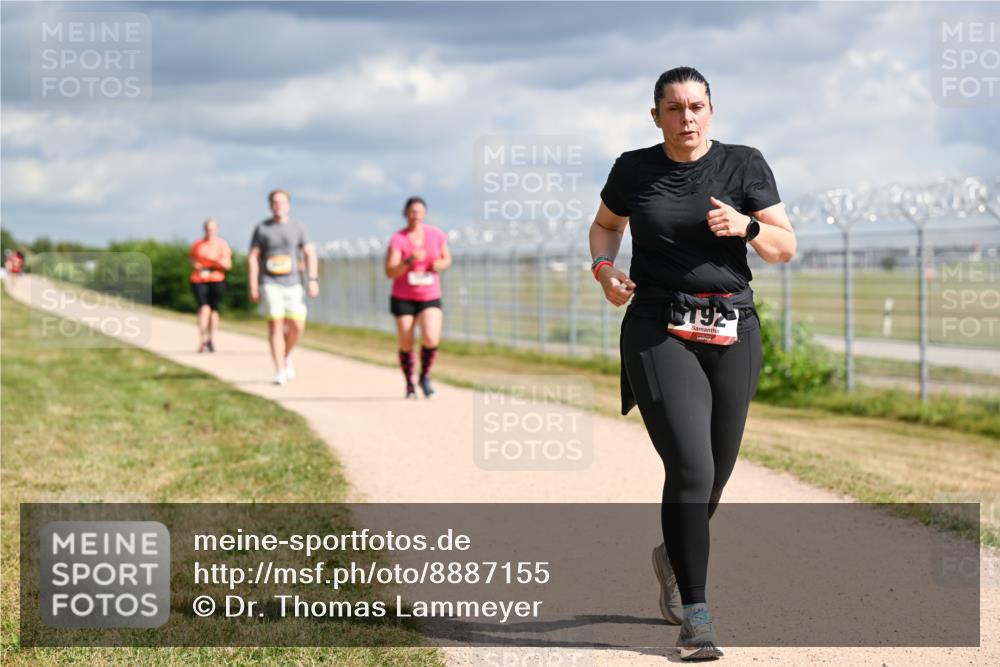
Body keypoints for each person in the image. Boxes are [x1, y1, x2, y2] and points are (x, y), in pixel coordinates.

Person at [590, 66, 796, 661]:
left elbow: (784, 246)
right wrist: (605, 271)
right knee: (689, 465)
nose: (687, 118)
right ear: (655, 115)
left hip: (734, 325)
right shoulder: (634, 168)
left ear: (712, 110)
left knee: (718, 469)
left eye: (697, 106)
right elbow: (605, 229)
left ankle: (673, 553)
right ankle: (697, 619)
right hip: (658, 326)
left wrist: (749, 225)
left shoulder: (744, 164)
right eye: (674, 108)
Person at [248, 189, 319, 385]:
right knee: (276, 325)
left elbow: (309, 252)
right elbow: (253, 257)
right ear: (270, 205)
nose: (278, 205)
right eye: (275, 202)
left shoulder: (298, 227)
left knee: (297, 325)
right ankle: (279, 369)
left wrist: (313, 279)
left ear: (288, 205)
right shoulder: (262, 228)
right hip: (270, 283)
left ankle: (286, 355)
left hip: (293, 282)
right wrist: (253, 284)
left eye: (282, 202)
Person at [384, 196, 451, 398]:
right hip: (403, 296)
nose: (416, 216)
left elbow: (447, 258)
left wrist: (439, 264)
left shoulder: (436, 235)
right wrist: (409, 261)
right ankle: (409, 383)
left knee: (431, 336)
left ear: (425, 214)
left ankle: (425, 376)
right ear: (406, 214)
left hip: (429, 294)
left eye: (419, 212)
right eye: (412, 212)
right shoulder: (398, 239)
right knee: (406, 341)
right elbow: (390, 272)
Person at [189, 218, 232, 352]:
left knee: (213, 311)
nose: (210, 231)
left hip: (216, 279)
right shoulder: (198, 244)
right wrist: (197, 265)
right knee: (204, 309)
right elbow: (192, 258)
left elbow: (228, 265)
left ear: (216, 229)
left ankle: (211, 339)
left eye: (212, 228)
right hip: (199, 279)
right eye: (208, 228)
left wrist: (215, 262)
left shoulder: (222, 244)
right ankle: (202, 341)